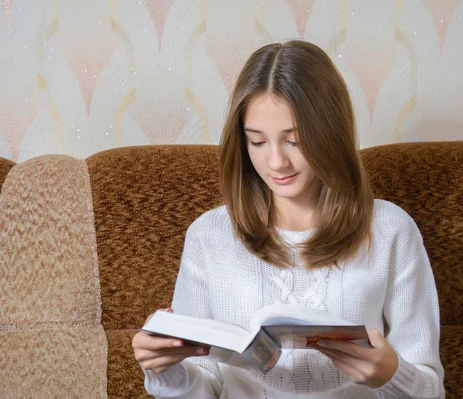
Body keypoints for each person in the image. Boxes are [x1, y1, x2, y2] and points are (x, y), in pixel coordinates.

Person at [132, 40, 445, 399]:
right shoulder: (209, 236)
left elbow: (430, 391)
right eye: (257, 142)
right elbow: (205, 388)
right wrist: (166, 371)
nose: (276, 162)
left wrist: (391, 374)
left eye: (294, 141)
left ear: (330, 134)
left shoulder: (391, 230)